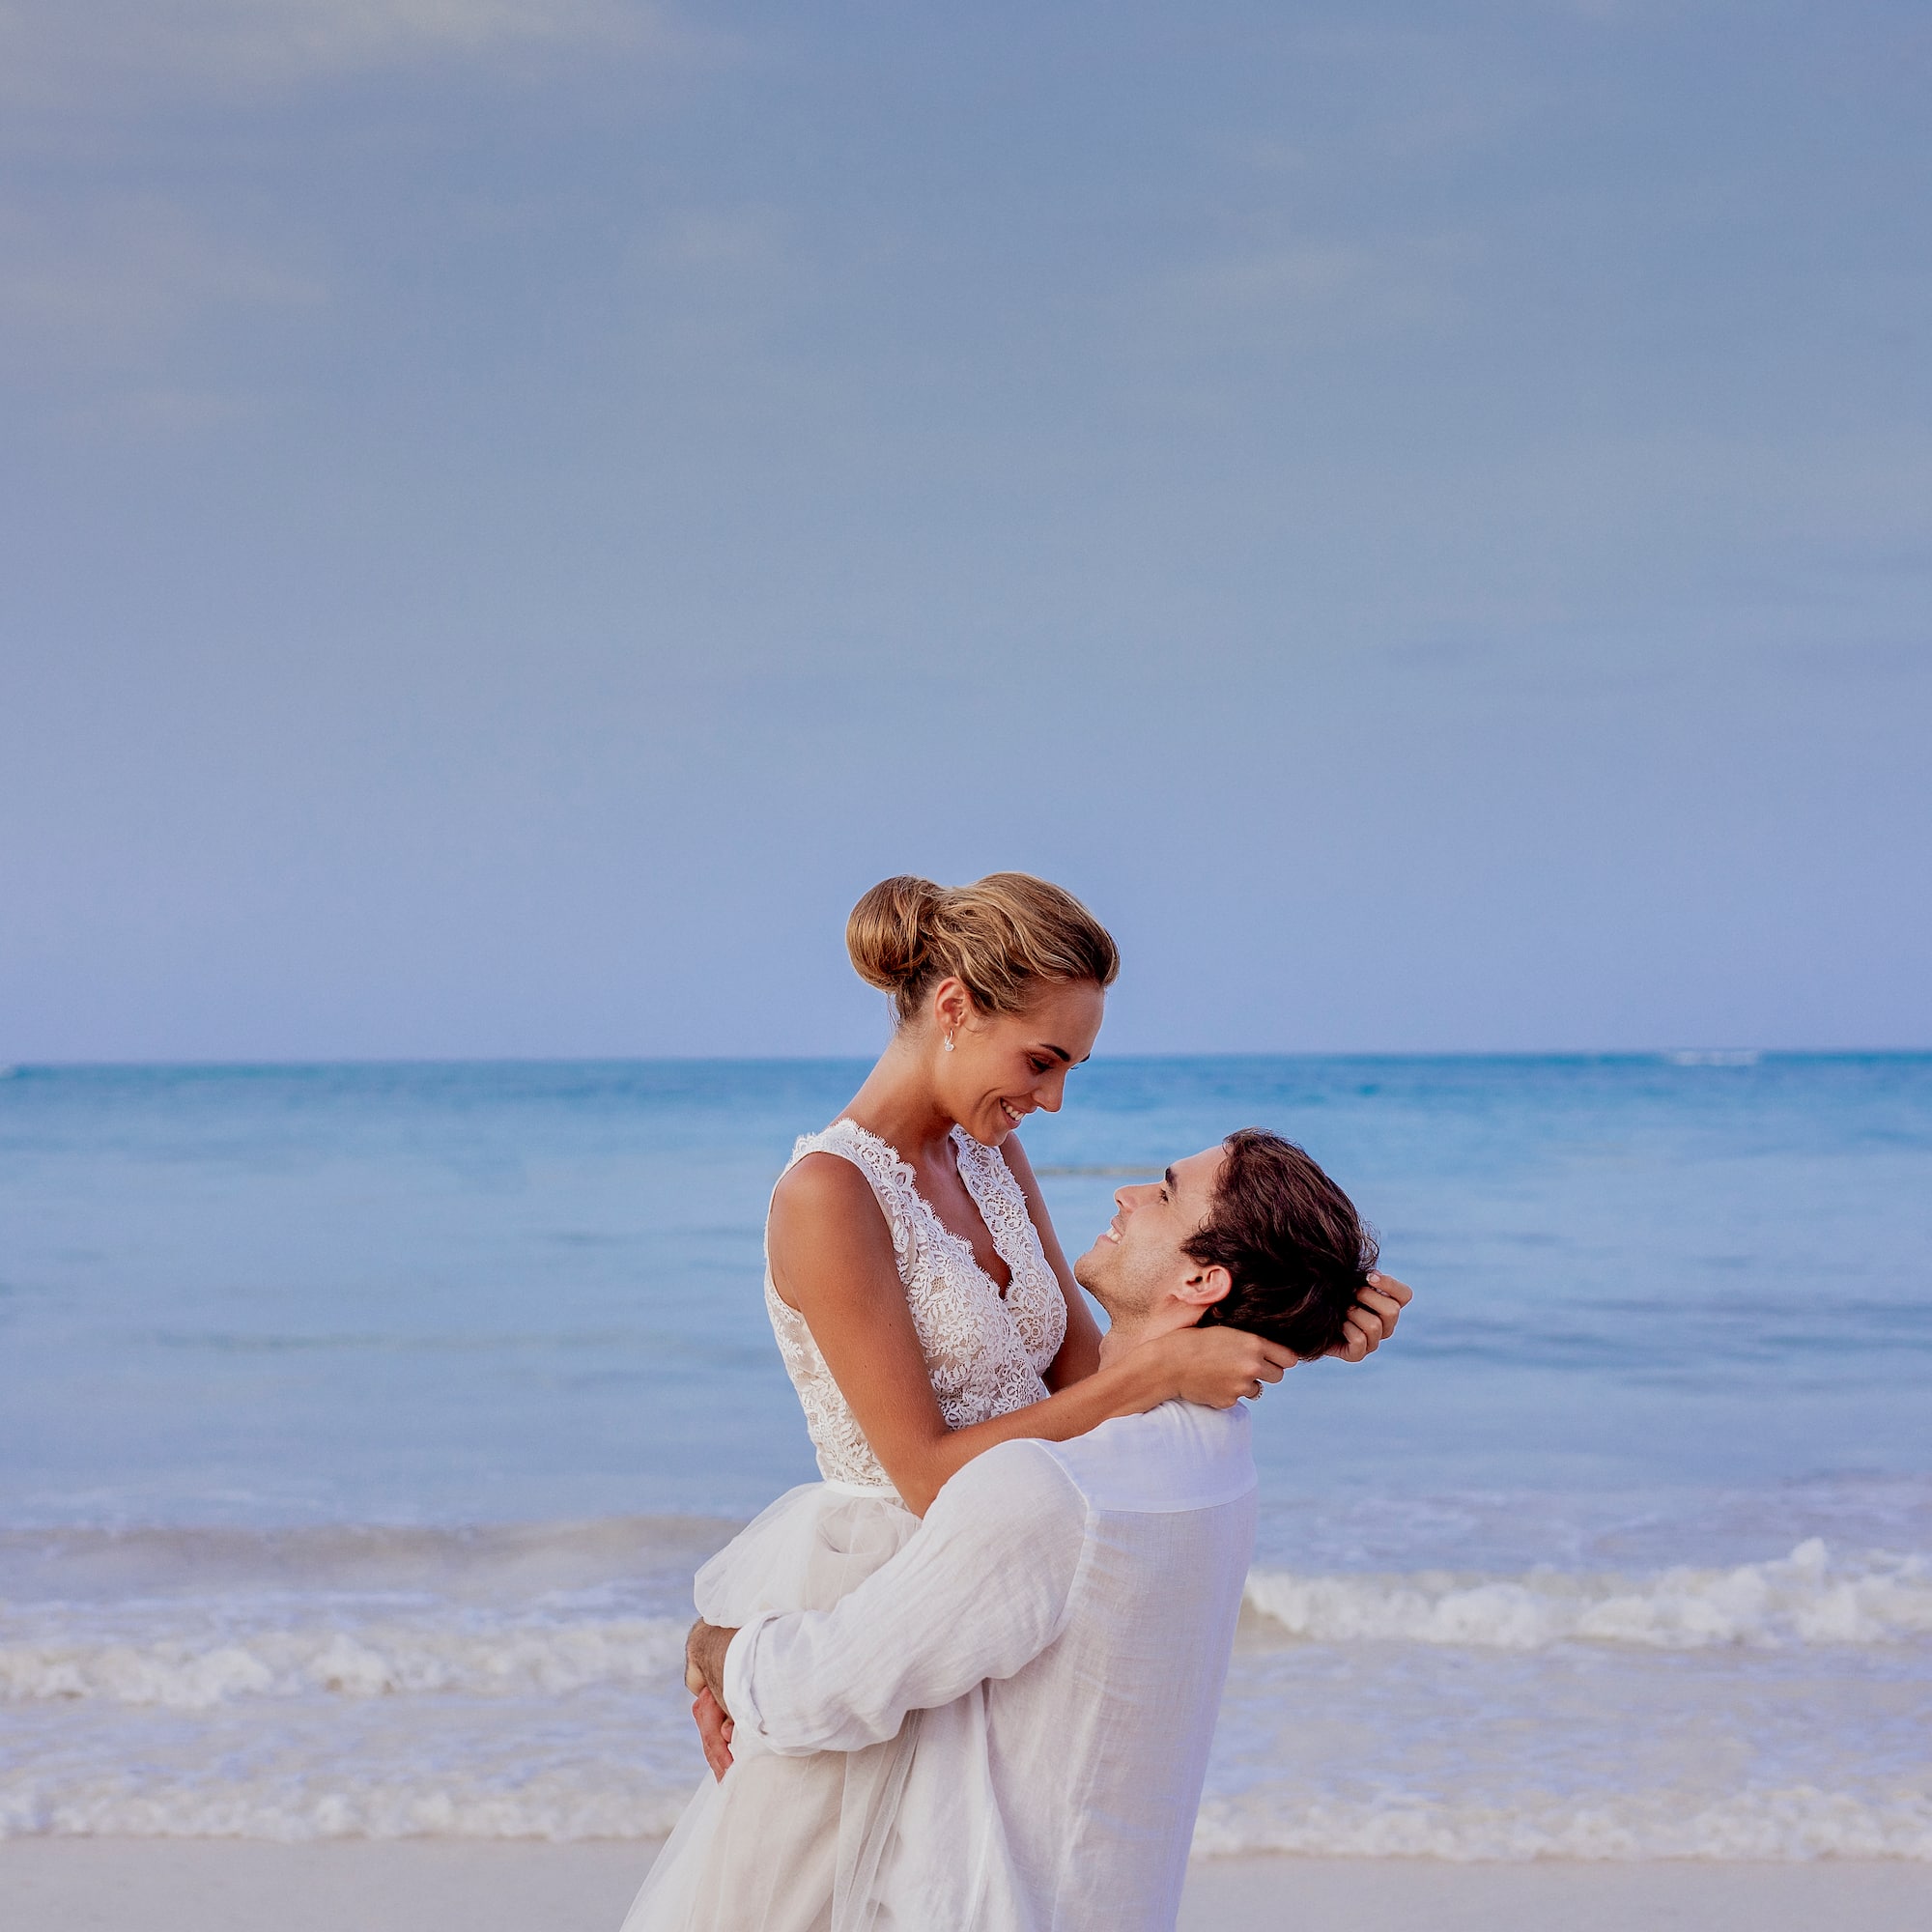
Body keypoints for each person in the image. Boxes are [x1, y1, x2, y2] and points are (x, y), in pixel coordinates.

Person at [620, 874, 1407, 1931]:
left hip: (991, 1592)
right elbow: (930, 1473)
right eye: (1041, 1060)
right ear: (953, 1008)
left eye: (1070, 1066)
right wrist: (1157, 1373)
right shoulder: (828, 1196)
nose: (1052, 1098)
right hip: (882, 1584)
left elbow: (1085, 1383)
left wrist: (1296, 1315)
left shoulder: (987, 1151)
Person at [681, 1129, 1394, 1931]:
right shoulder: (1221, 1456)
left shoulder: (1049, 1492)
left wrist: (715, 1647)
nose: (1127, 1195)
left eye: (1163, 1191)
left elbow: (827, 1691)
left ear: (1203, 1278)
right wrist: (1312, 1308)